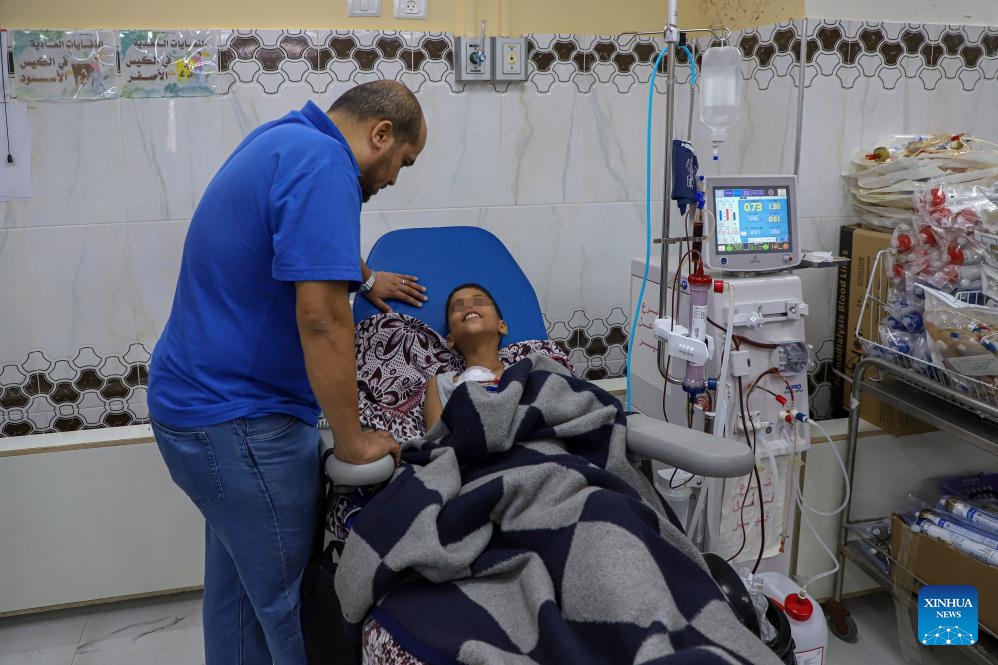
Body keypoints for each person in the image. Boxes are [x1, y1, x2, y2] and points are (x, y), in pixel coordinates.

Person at [147, 80, 428, 665]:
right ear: (380, 135)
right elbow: (323, 320)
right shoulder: (327, 167)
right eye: (403, 160)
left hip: (194, 409)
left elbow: (279, 241)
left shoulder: (284, 140)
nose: (396, 178)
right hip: (241, 424)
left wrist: (366, 278)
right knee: (293, 609)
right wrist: (353, 443)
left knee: (239, 595)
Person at [424, 283, 508, 429]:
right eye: (458, 306)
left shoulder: (526, 370)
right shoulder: (440, 384)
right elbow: (435, 442)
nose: (468, 306)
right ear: (450, 340)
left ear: (501, 326)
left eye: (479, 301)